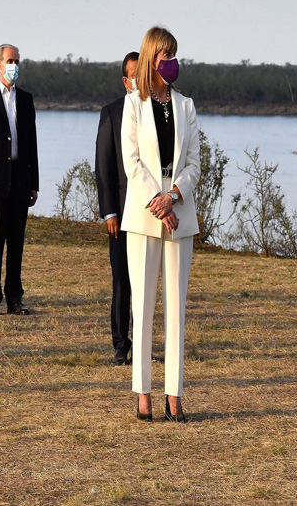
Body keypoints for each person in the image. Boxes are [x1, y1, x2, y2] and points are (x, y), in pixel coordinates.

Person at [121, 26, 200, 422]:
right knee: (144, 306)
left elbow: (195, 164)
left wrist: (173, 197)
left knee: (176, 309)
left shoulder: (186, 105)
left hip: (179, 215)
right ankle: (143, 392)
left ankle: (175, 393)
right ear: (151, 57)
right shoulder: (133, 104)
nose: (170, 60)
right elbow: (131, 162)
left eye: (174, 52)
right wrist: (158, 200)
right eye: (163, 53)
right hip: (144, 215)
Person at [0, 44, 39, 316]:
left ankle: (15, 297)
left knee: (17, 242)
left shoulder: (25, 99)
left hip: (21, 177)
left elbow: (32, 143)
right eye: (9, 60)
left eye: (17, 61)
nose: (13, 65)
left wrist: (34, 183)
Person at [95, 51, 139, 366]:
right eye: (135, 75)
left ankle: (142, 343)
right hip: (121, 213)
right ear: (126, 81)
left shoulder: (158, 113)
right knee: (122, 280)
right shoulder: (112, 113)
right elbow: (104, 167)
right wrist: (109, 211)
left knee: (145, 282)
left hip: (151, 213)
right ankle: (120, 345)